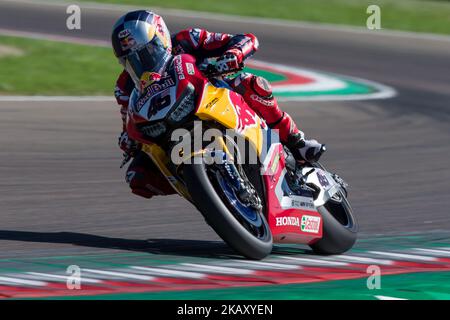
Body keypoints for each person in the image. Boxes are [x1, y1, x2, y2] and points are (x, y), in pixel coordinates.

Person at [112, 10, 325, 199]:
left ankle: (297, 142)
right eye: (132, 60)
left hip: (213, 97)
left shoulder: (188, 40)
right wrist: (127, 138)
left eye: (148, 52)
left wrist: (233, 55)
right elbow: (128, 117)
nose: (142, 63)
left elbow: (245, 39)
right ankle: (206, 190)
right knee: (137, 176)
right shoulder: (124, 86)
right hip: (168, 127)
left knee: (250, 83)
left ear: (162, 37)